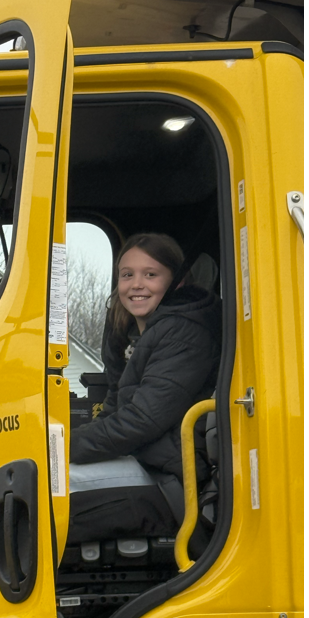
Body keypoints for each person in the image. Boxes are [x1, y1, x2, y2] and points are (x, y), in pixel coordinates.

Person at [68, 233, 221, 544]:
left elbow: (142, 421)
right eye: (127, 275)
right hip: (144, 459)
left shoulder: (184, 332)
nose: (136, 285)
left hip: (169, 475)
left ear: (177, 282)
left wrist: (62, 450)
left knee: (43, 487)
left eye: (150, 275)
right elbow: (115, 405)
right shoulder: (136, 334)